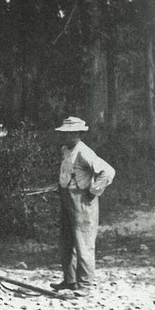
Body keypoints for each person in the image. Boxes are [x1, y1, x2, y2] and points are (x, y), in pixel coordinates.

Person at [50, 116, 115, 295]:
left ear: (78, 134)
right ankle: (70, 280)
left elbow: (108, 171)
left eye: (69, 133)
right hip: (67, 199)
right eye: (64, 133)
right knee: (66, 241)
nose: (65, 137)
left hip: (83, 201)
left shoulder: (84, 152)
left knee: (83, 243)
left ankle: (85, 284)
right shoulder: (65, 150)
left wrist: (94, 190)